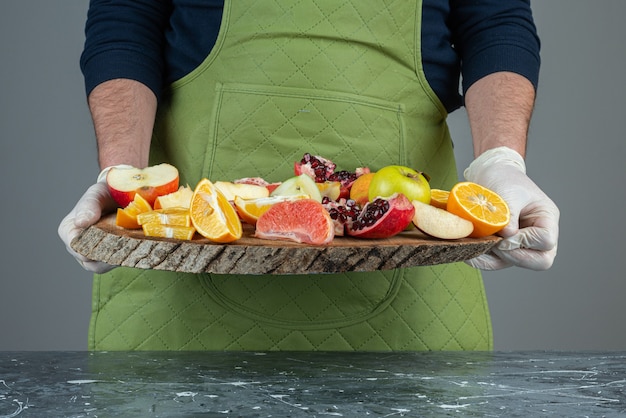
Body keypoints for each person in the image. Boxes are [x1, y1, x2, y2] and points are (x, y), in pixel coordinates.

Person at [59, 0, 559, 351]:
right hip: (180, 307)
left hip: (411, 304)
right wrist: (124, 172)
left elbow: (496, 20)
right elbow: (125, 18)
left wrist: (501, 161)